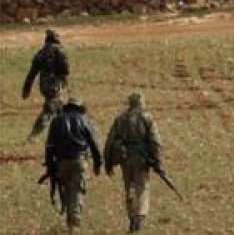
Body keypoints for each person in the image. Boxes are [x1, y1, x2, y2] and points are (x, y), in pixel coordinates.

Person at [105, 93, 163, 232]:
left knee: (129, 187)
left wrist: (108, 163)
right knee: (142, 188)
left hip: (125, 158)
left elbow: (110, 142)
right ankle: (139, 217)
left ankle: (131, 216)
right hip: (142, 160)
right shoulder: (147, 118)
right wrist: (158, 162)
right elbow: (156, 142)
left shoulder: (120, 119)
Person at [45, 98, 103, 231]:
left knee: (65, 191)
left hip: (61, 162)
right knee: (76, 192)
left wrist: (49, 165)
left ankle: (70, 222)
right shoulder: (84, 120)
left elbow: (49, 146)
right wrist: (98, 163)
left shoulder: (56, 120)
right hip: (79, 161)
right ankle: (74, 223)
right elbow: (94, 143)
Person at [22, 29, 71, 141]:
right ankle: (33, 135)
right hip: (55, 86)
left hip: (44, 86)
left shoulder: (41, 53)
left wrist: (26, 89)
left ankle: (63, 136)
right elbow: (66, 70)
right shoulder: (59, 51)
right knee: (49, 111)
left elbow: (32, 73)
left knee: (60, 110)